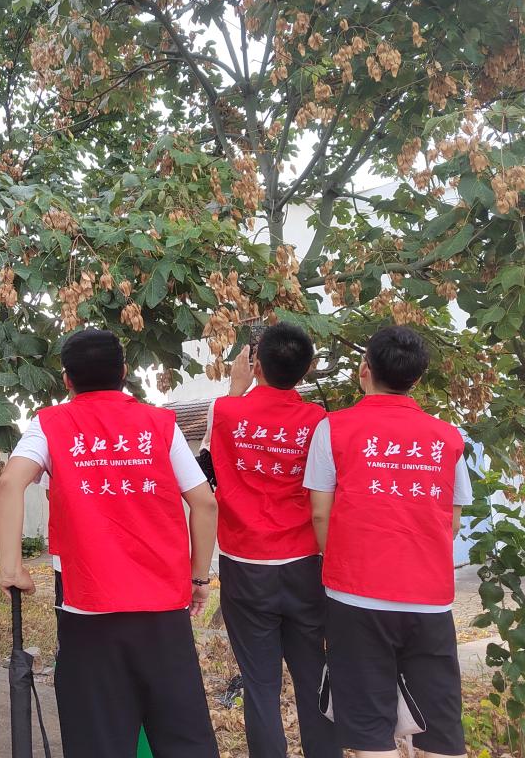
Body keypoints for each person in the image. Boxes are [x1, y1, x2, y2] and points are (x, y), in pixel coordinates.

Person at [0, 328, 220, 758]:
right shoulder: (159, 424)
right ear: (124, 372)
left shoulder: (49, 424)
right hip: (162, 607)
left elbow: (9, 484)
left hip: (87, 607)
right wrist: (198, 578)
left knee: (97, 735)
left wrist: (11, 568)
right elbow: (204, 503)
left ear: (67, 379)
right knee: (182, 735)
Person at [305, 325, 472, 758]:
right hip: (429, 599)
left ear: (365, 369)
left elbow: (320, 512)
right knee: (440, 730)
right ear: (417, 378)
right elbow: (452, 519)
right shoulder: (448, 437)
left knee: (370, 732)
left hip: (356, 596)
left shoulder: (333, 428)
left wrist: (340, 558)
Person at [206, 323, 340, 758]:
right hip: (305, 564)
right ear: (307, 369)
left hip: (245, 567)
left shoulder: (225, 412)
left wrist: (236, 387)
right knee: (314, 676)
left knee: (260, 685)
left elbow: (207, 463)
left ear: (256, 364)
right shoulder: (318, 421)